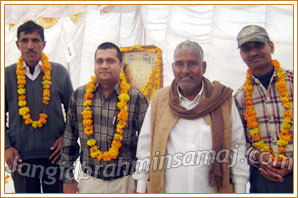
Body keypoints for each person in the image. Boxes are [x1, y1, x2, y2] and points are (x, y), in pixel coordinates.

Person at [133, 40, 249, 193]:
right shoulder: (160, 100)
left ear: (204, 67)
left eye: (192, 64)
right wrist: (141, 189)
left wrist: (240, 190)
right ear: (173, 67)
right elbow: (145, 148)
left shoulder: (222, 100)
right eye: (180, 64)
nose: (185, 70)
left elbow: (237, 146)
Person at [60, 42, 148, 193]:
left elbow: (146, 145)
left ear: (121, 66)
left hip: (125, 182)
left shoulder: (135, 98)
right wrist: (67, 179)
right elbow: (69, 139)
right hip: (90, 181)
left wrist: (141, 185)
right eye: (99, 61)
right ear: (94, 64)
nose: (104, 65)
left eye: (110, 61)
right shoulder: (79, 96)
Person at [5, 20, 73, 193]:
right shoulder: (7, 75)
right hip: (21, 159)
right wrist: (6, 147)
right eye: (25, 40)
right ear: (17, 45)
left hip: (55, 157)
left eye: (35, 40)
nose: (30, 46)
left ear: (43, 44)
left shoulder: (59, 73)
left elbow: (73, 113)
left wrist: (66, 139)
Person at [234, 25, 293, 193]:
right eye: (246, 49)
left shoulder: (293, 83)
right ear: (242, 55)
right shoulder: (240, 97)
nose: (253, 53)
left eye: (258, 46)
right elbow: (240, 142)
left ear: (271, 47)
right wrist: (260, 157)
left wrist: (292, 164)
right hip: (262, 178)